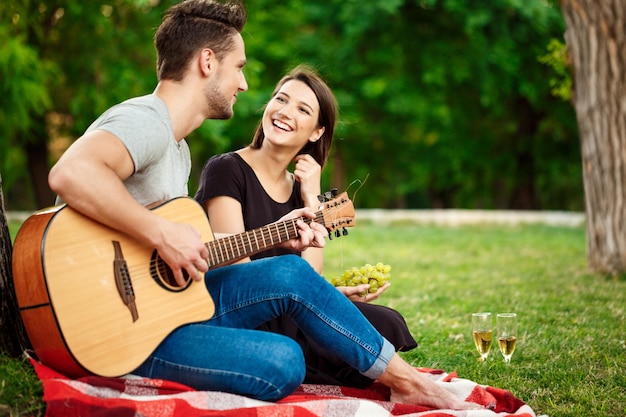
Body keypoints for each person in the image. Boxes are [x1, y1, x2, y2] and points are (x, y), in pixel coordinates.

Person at [48, 0, 480, 410]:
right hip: (117, 330)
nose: (245, 84)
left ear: (317, 131)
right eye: (239, 68)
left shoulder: (177, 148)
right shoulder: (150, 122)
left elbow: (210, 253)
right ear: (206, 62)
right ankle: (407, 381)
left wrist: (308, 215)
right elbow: (70, 174)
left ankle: (408, 383)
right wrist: (161, 233)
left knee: (328, 326)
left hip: (164, 307)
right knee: (284, 360)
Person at [194, 65, 417, 388]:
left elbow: (310, 277)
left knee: (388, 322)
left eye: (302, 109)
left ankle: (339, 353)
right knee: (327, 336)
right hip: (241, 309)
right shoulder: (227, 169)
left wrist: (311, 197)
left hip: (289, 312)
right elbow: (235, 266)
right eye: (280, 100)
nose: (285, 112)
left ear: (316, 132)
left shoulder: (302, 191)